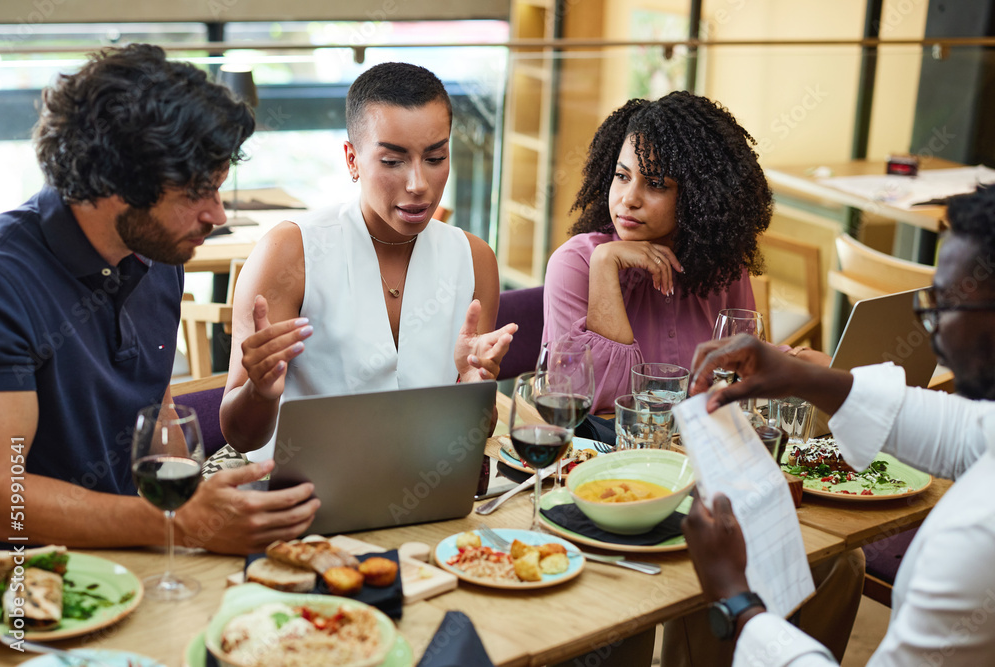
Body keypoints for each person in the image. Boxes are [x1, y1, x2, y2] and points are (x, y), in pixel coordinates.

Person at [0, 44, 320, 555]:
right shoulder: (5, 279)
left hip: (141, 553)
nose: (217, 215)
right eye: (195, 192)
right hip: (32, 573)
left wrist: (195, 501)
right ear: (117, 180)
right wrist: (180, 525)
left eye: (218, 188)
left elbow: (157, 410)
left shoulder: (159, 253)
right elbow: (3, 498)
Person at [682, 185, 995, 666]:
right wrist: (801, 377)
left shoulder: (976, 537)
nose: (933, 329)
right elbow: (965, 431)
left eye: (946, 305)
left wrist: (737, 600)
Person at [220, 62, 515, 456]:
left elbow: (475, 432)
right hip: (299, 485)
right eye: (392, 161)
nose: (418, 184)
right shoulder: (289, 252)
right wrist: (260, 392)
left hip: (424, 482)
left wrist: (473, 388)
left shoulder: (474, 260)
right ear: (352, 160)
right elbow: (240, 437)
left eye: (435, 158)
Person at [541, 92, 772, 413]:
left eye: (656, 184)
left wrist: (800, 362)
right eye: (622, 176)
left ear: (697, 196)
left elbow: (745, 374)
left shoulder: (723, 268)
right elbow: (586, 401)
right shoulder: (575, 264)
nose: (629, 199)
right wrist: (605, 263)